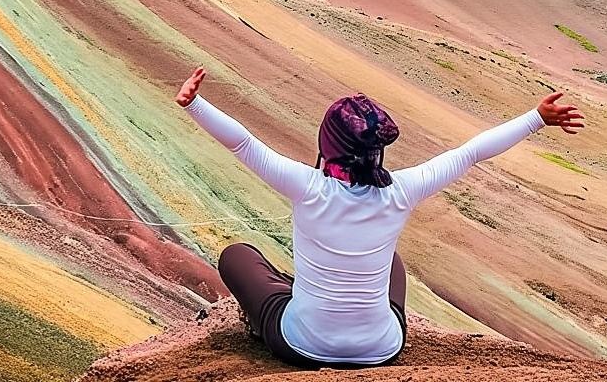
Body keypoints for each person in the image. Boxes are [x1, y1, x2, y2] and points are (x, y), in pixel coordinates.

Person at [174, 67, 585, 368]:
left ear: (328, 143)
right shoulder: (402, 190)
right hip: (383, 349)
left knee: (238, 256)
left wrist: (196, 104)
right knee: (392, 262)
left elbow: (243, 144)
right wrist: (536, 119)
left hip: (300, 344)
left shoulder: (306, 186)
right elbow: (472, 152)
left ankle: (278, 310)